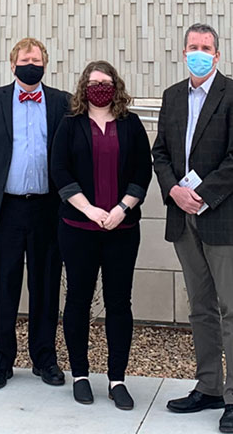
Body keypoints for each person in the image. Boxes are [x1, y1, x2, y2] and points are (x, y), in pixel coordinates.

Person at [151, 23, 233, 434]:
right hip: (183, 218)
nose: (199, 52)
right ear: (183, 52)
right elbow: (160, 152)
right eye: (193, 46)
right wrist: (174, 192)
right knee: (200, 308)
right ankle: (209, 386)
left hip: (221, 217)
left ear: (217, 54)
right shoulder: (173, 97)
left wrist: (203, 195)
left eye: (206, 47)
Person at [0, 37, 69, 391]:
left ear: (45, 64)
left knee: (45, 286)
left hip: (47, 209)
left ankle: (45, 359)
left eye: (36, 59)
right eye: (25, 59)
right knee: (0, 287)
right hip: (4, 209)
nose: (31, 63)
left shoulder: (62, 104)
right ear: (12, 65)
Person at [49, 60, 151, 411]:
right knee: (78, 299)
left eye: (105, 83)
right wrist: (90, 210)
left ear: (116, 86)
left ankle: (117, 379)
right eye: (93, 83)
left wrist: (122, 208)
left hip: (122, 230)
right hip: (78, 229)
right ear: (83, 87)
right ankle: (80, 375)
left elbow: (143, 170)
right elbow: (59, 170)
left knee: (119, 303)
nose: (100, 88)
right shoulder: (70, 124)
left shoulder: (131, 124)